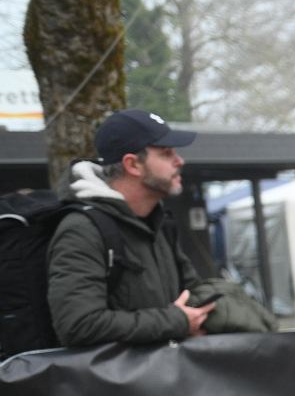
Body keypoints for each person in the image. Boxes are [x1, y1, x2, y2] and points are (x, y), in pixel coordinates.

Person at [47, 108, 211, 348]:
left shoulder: (158, 223)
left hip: (165, 370)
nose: (179, 161)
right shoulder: (82, 230)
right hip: (114, 375)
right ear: (133, 165)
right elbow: (79, 325)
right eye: (166, 153)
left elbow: (194, 291)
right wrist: (177, 321)